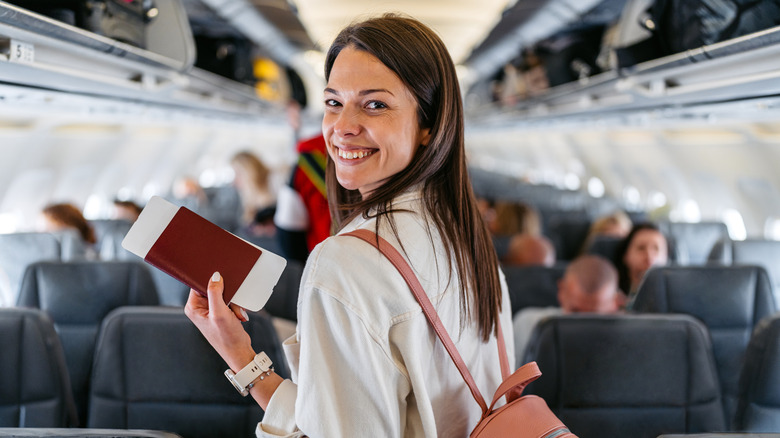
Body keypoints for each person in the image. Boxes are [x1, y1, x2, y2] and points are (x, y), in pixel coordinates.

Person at [185, 14, 513, 437]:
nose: (342, 127)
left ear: (429, 125)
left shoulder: (348, 261)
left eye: (375, 104)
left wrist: (237, 356)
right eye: (334, 102)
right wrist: (243, 356)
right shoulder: (465, 236)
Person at [513, 254, 622, 361]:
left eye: (593, 316)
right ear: (561, 291)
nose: (583, 326)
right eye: (575, 312)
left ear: (616, 303)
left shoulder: (627, 339)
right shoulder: (529, 325)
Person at [615, 222, 669, 307]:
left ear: (666, 257)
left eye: (656, 248)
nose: (649, 257)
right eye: (641, 248)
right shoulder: (610, 300)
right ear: (626, 255)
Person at [230, 151, 276, 227]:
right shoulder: (247, 199)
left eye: (238, 174)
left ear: (251, 172)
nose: (233, 182)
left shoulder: (274, 182)